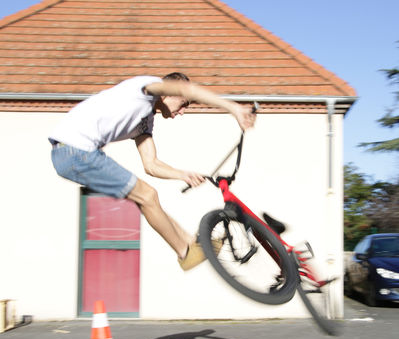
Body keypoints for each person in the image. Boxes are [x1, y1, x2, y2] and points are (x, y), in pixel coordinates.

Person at [49, 72, 256, 270]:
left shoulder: (145, 120)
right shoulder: (145, 88)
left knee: (149, 199)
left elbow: (151, 164)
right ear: (172, 92)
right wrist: (234, 108)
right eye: (183, 104)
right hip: (75, 151)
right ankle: (185, 252)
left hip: (75, 155)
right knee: (148, 195)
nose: (182, 112)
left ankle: (192, 243)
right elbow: (188, 89)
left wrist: (182, 174)